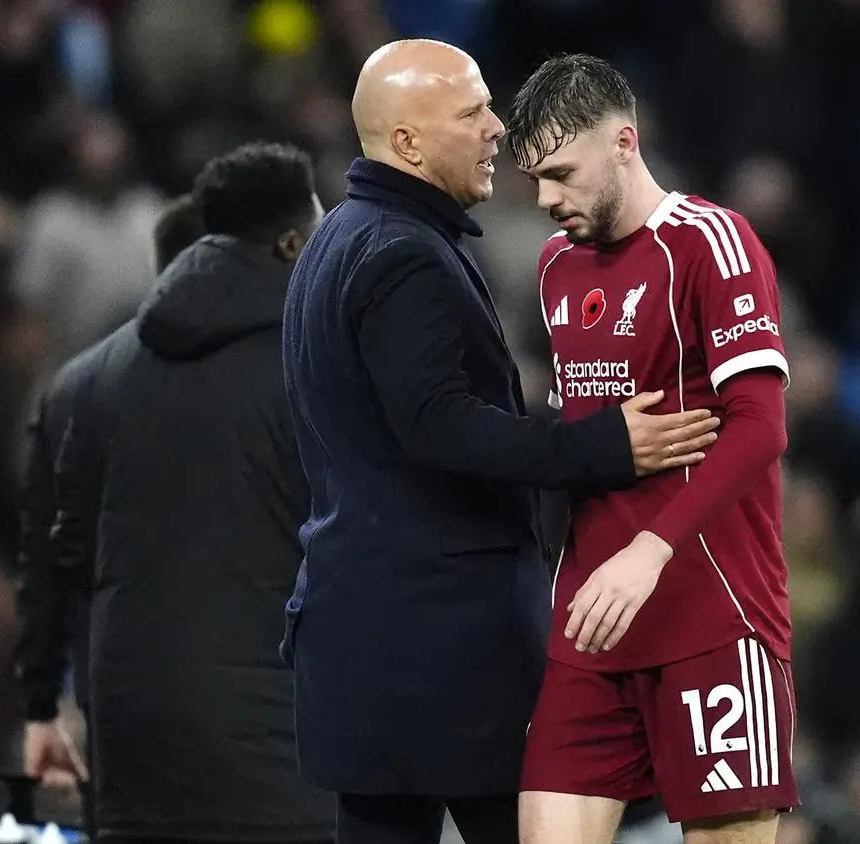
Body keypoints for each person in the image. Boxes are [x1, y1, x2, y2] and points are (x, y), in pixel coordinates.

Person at [280, 39, 721, 844]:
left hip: (363, 634)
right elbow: (438, 427)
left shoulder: (341, 238)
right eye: (472, 112)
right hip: (440, 649)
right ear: (407, 142)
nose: (498, 130)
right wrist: (601, 447)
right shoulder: (402, 254)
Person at [505, 54, 797, 844]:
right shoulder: (555, 267)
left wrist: (651, 547)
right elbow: (577, 438)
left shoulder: (712, 242)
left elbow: (760, 425)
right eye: (534, 178)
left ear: (624, 143)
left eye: (561, 174)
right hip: (591, 625)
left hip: (712, 613)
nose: (545, 199)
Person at [49, 142, 334, 844]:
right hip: (282, 773)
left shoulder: (88, 381)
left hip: (133, 769)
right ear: (293, 243)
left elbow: (69, 575)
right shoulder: (324, 370)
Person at [15, 193, 205, 806]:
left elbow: (50, 564)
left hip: (126, 702)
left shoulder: (82, 387)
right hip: (242, 716)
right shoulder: (279, 380)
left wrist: (44, 705)